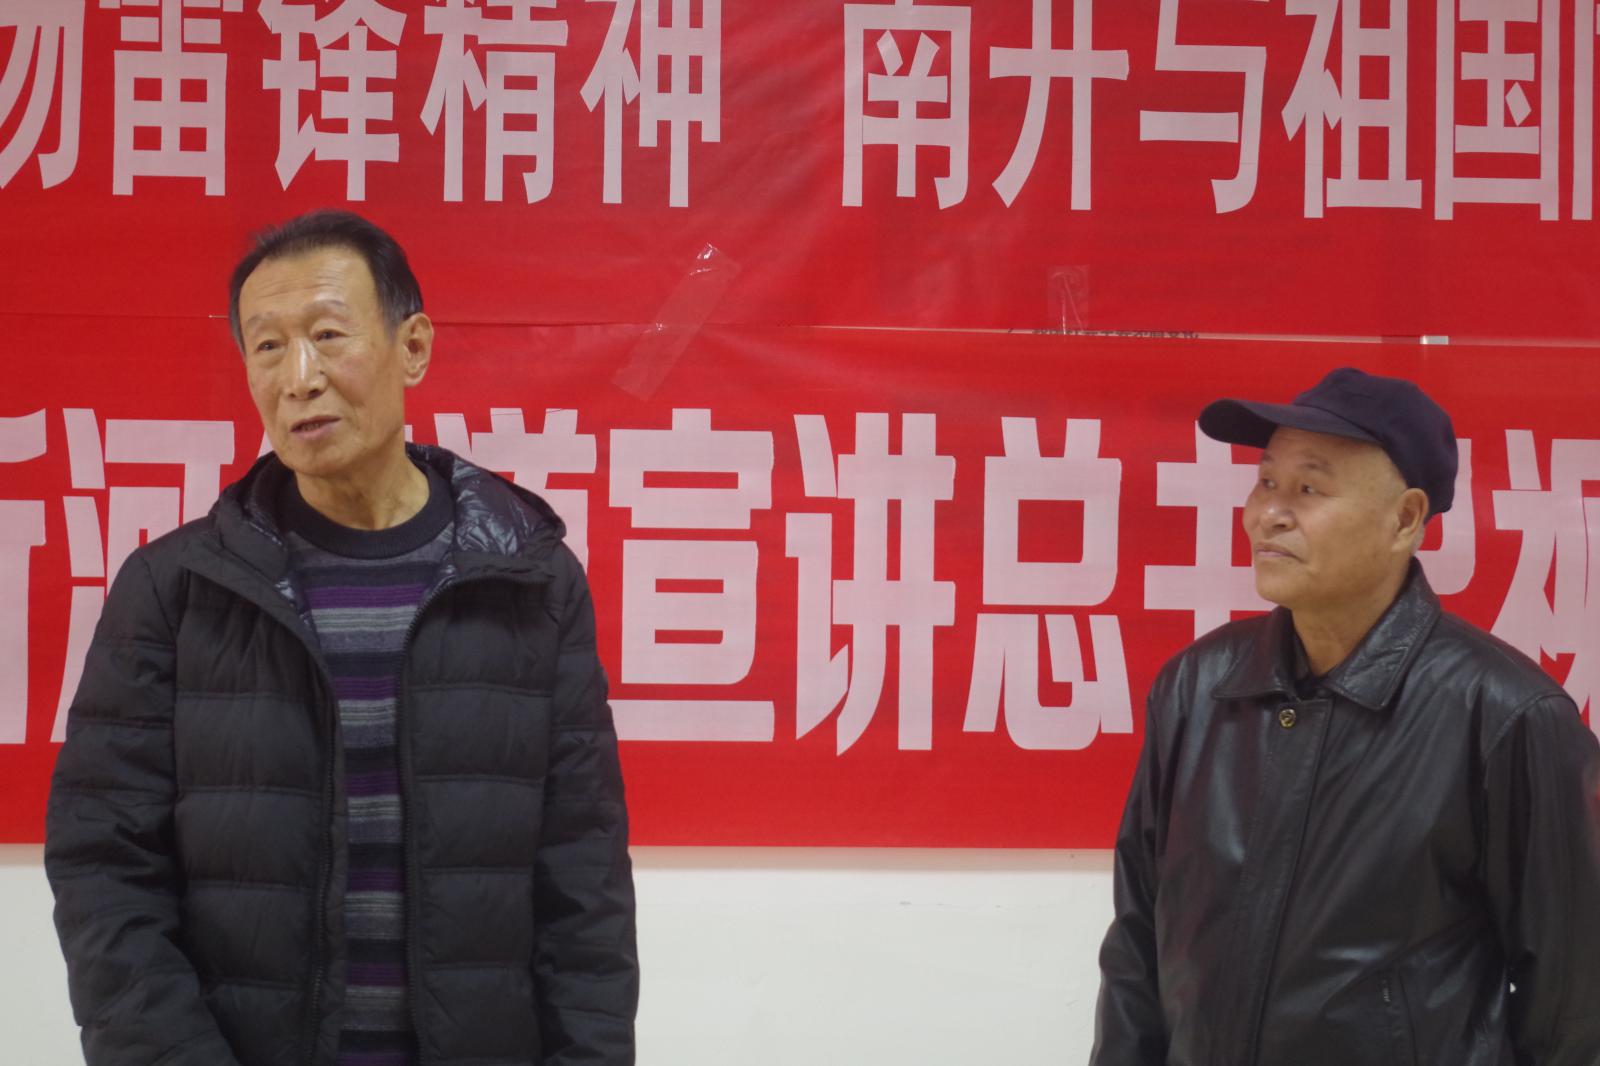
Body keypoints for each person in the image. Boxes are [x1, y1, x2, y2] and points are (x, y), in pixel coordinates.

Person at [45, 210, 637, 1066]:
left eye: (327, 335)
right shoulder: (175, 591)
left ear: (413, 347)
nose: (299, 378)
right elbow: (104, 867)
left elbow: (583, 875)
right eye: (268, 347)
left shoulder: (528, 580)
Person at [1091, 367, 1600, 1066]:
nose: (1269, 513)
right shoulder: (1197, 688)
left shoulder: (1507, 718)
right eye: (1266, 481)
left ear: (1405, 519)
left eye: (1309, 489)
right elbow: (1138, 947)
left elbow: (1575, 1012)